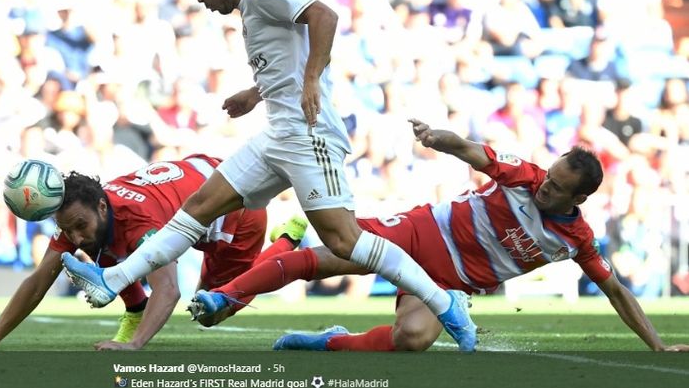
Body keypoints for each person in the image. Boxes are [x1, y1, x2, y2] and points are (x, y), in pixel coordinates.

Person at [59, 0, 476, 351]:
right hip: (278, 134)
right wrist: (255, 92)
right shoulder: (251, 10)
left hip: (309, 134)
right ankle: (112, 279)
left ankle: (445, 303)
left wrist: (312, 79)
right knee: (200, 206)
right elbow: (286, 60)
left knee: (345, 241)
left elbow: (324, 16)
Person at [188, 119, 689, 353]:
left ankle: (329, 344)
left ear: (576, 202)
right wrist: (437, 138)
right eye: (550, 176)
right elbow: (473, 151)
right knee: (332, 256)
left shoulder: (576, 239)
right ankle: (223, 297)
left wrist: (658, 346)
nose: (545, 187)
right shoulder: (526, 176)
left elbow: (617, 291)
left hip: (449, 285)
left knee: (413, 341)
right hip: (420, 234)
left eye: (557, 188)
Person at [0, 154, 306, 350]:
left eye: (79, 226)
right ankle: (135, 307)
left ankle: (287, 241)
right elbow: (38, 282)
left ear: (102, 206)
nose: (75, 236)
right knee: (102, 243)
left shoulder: (139, 222)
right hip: (195, 178)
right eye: (68, 230)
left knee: (212, 308)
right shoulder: (84, 211)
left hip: (233, 209)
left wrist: (136, 345)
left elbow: (168, 290)